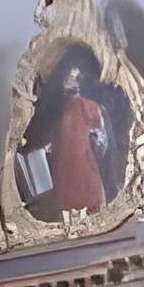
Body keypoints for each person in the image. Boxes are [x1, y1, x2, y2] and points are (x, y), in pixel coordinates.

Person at [48, 71, 114, 214]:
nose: (70, 81)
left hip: (81, 170)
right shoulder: (56, 110)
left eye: (73, 77)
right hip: (68, 171)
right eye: (68, 77)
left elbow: (103, 142)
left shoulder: (89, 107)